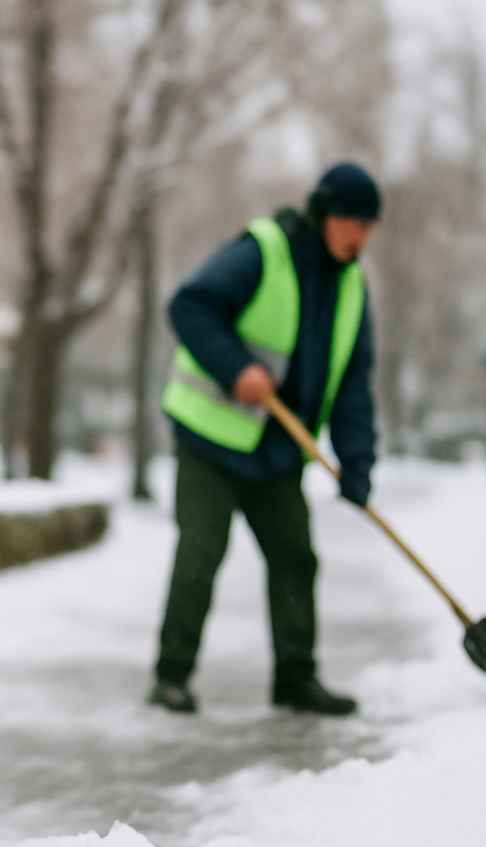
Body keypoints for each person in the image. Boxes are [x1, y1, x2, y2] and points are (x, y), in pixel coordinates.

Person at [149, 162, 380, 717]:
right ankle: (171, 676)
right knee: (201, 552)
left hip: (277, 452)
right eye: (353, 221)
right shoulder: (264, 251)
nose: (361, 235)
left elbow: (353, 384)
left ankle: (296, 679)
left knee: (295, 557)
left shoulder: (352, 288)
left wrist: (357, 462)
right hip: (211, 439)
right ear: (324, 214)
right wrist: (237, 369)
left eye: (369, 225)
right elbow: (189, 305)